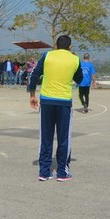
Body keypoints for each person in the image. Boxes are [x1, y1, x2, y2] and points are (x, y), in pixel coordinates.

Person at [28, 35, 83, 182]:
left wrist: (32, 94)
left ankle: (44, 172)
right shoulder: (74, 59)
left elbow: (34, 75)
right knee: (64, 138)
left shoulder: (47, 56)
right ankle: (62, 173)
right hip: (64, 102)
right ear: (70, 46)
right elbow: (80, 79)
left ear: (56, 45)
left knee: (46, 137)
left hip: (46, 101)